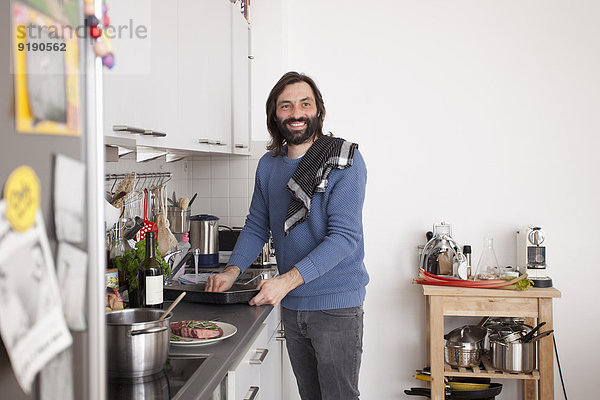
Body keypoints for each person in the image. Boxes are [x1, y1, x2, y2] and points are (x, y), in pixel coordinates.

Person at [206, 71, 369, 400]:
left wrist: (285, 281)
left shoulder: (344, 162)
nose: (296, 113)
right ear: (275, 114)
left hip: (336, 304)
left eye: (305, 104)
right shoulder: (269, 165)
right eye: (286, 106)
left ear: (318, 111)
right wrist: (231, 270)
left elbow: (343, 239)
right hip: (294, 305)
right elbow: (256, 224)